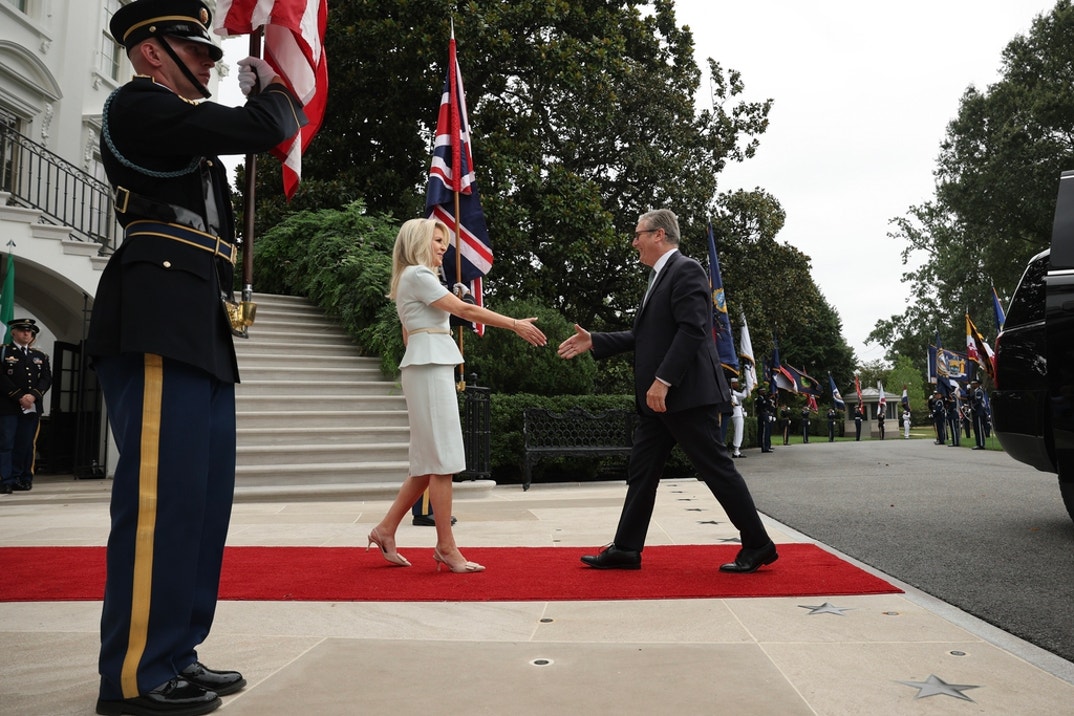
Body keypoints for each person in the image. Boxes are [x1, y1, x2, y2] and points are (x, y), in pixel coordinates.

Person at [86, 2, 308, 714]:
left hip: (195, 314)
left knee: (201, 503)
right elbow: (267, 127)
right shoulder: (138, 107)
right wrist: (272, 85)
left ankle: (177, 652)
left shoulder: (181, 129)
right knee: (159, 504)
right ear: (151, 52)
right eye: (196, 48)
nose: (211, 61)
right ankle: (136, 676)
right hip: (155, 310)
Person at [559, 209, 777, 574]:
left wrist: (663, 381)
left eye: (638, 234)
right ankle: (627, 548)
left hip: (686, 397)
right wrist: (595, 340)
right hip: (658, 403)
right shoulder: (660, 278)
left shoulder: (686, 270)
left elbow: (693, 330)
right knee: (641, 472)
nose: (634, 242)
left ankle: (758, 544)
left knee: (716, 470)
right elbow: (646, 337)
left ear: (659, 235)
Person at [367, 218, 546, 574]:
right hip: (430, 366)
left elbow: (409, 332)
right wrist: (514, 324)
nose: (443, 247)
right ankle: (446, 547)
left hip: (426, 363)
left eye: (444, 241)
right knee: (443, 461)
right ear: (417, 242)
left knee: (427, 464)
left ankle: (385, 530)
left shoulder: (415, 278)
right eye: (437, 240)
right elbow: (464, 311)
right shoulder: (418, 276)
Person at [0, 318, 52, 494]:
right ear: (13, 332)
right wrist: (19, 396)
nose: (26, 333)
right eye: (22, 330)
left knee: (26, 443)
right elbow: (2, 377)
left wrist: (33, 396)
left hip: (31, 407)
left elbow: (46, 379)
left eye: (29, 331)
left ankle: (23, 478)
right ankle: (5, 479)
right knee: (6, 443)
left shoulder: (40, 356)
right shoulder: (4, 352)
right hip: (9, 406)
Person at [729, 378, 747, 458]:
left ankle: (737, 450)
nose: (737, 384)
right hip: (735, 412)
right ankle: (736, 450)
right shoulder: (730, 391)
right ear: (732, 384)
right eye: (736, 383)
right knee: (738, 431)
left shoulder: (734, 391)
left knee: (739, 431)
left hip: (738, 412)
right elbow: (742, 396)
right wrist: (747, 388)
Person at [970, 379, 988, 450]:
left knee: (979, 429)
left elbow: (978, 402)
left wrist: (972, 407)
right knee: (976, 429)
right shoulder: (975, 391)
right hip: (976, 412)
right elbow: (969, 398)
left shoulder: (979, 391)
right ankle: (978, 443)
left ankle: (981, 444)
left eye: (974, 384)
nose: (972, 385)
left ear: (977, 384)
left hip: (979, 412)